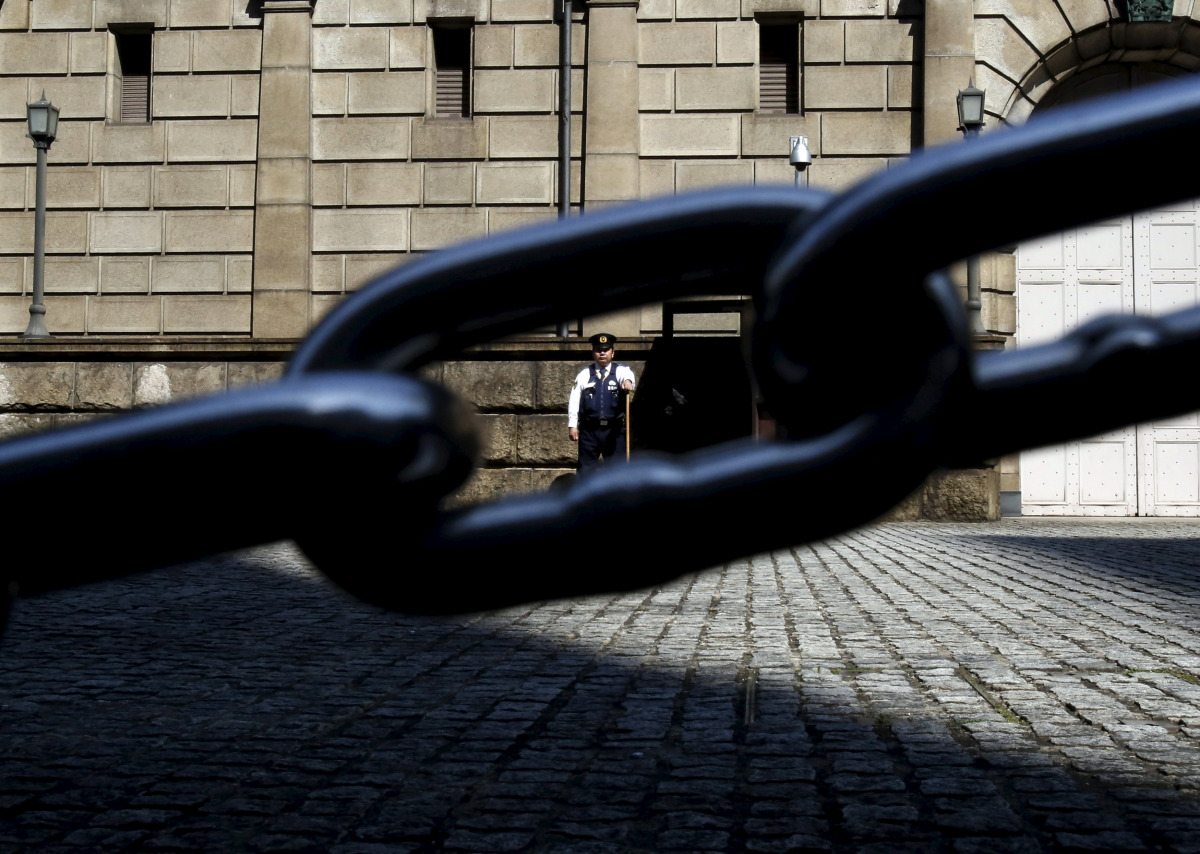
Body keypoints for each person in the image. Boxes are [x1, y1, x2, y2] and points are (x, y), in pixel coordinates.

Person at [567, 332, 636, 471]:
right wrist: (572, 425)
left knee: (617, 472)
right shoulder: (585, 374)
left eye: (606, 350)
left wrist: (628, 382)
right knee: (585, 472)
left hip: (614, 431)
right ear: (593, 353)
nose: (602, 353)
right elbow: (574, 400)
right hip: (589, 431)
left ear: (613, 353)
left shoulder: (620, 371)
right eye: (599, 350)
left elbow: (628, 377)